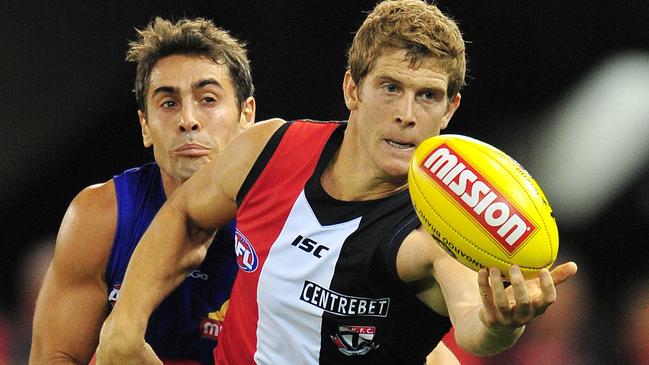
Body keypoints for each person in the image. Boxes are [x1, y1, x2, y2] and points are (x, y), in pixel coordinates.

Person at [97, 1, 577, 364]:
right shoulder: (268, 149)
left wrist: (501, 325)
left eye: (428, 96)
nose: (406, 115)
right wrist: (125, 322)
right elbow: (186, 214)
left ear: (450, 110)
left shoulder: (441, 229)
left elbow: (473, 321)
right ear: (352, 89)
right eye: (391, 88)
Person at [29, 17, 256, 365]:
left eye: (208, 99)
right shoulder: (100, 217)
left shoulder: (287, 218)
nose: (188, 120)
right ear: (145, 126)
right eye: (168, 103)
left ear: (246, 117)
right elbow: (54, 358)